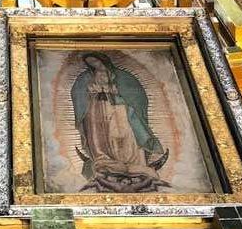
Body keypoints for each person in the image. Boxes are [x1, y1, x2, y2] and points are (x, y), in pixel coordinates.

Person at [70, 52, 169, 193]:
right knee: (101, 134)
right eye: (91, 64)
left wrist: (116, 95)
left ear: (102, 60)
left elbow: (135, 95)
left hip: (120, 108)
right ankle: (105, 159)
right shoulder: (88, 78)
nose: (94, 65)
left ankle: (133, 162)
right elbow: (80, 94)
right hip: (97, 108)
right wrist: (93, 93)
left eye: (96, 62)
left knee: (125, 132)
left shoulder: (122, 77)